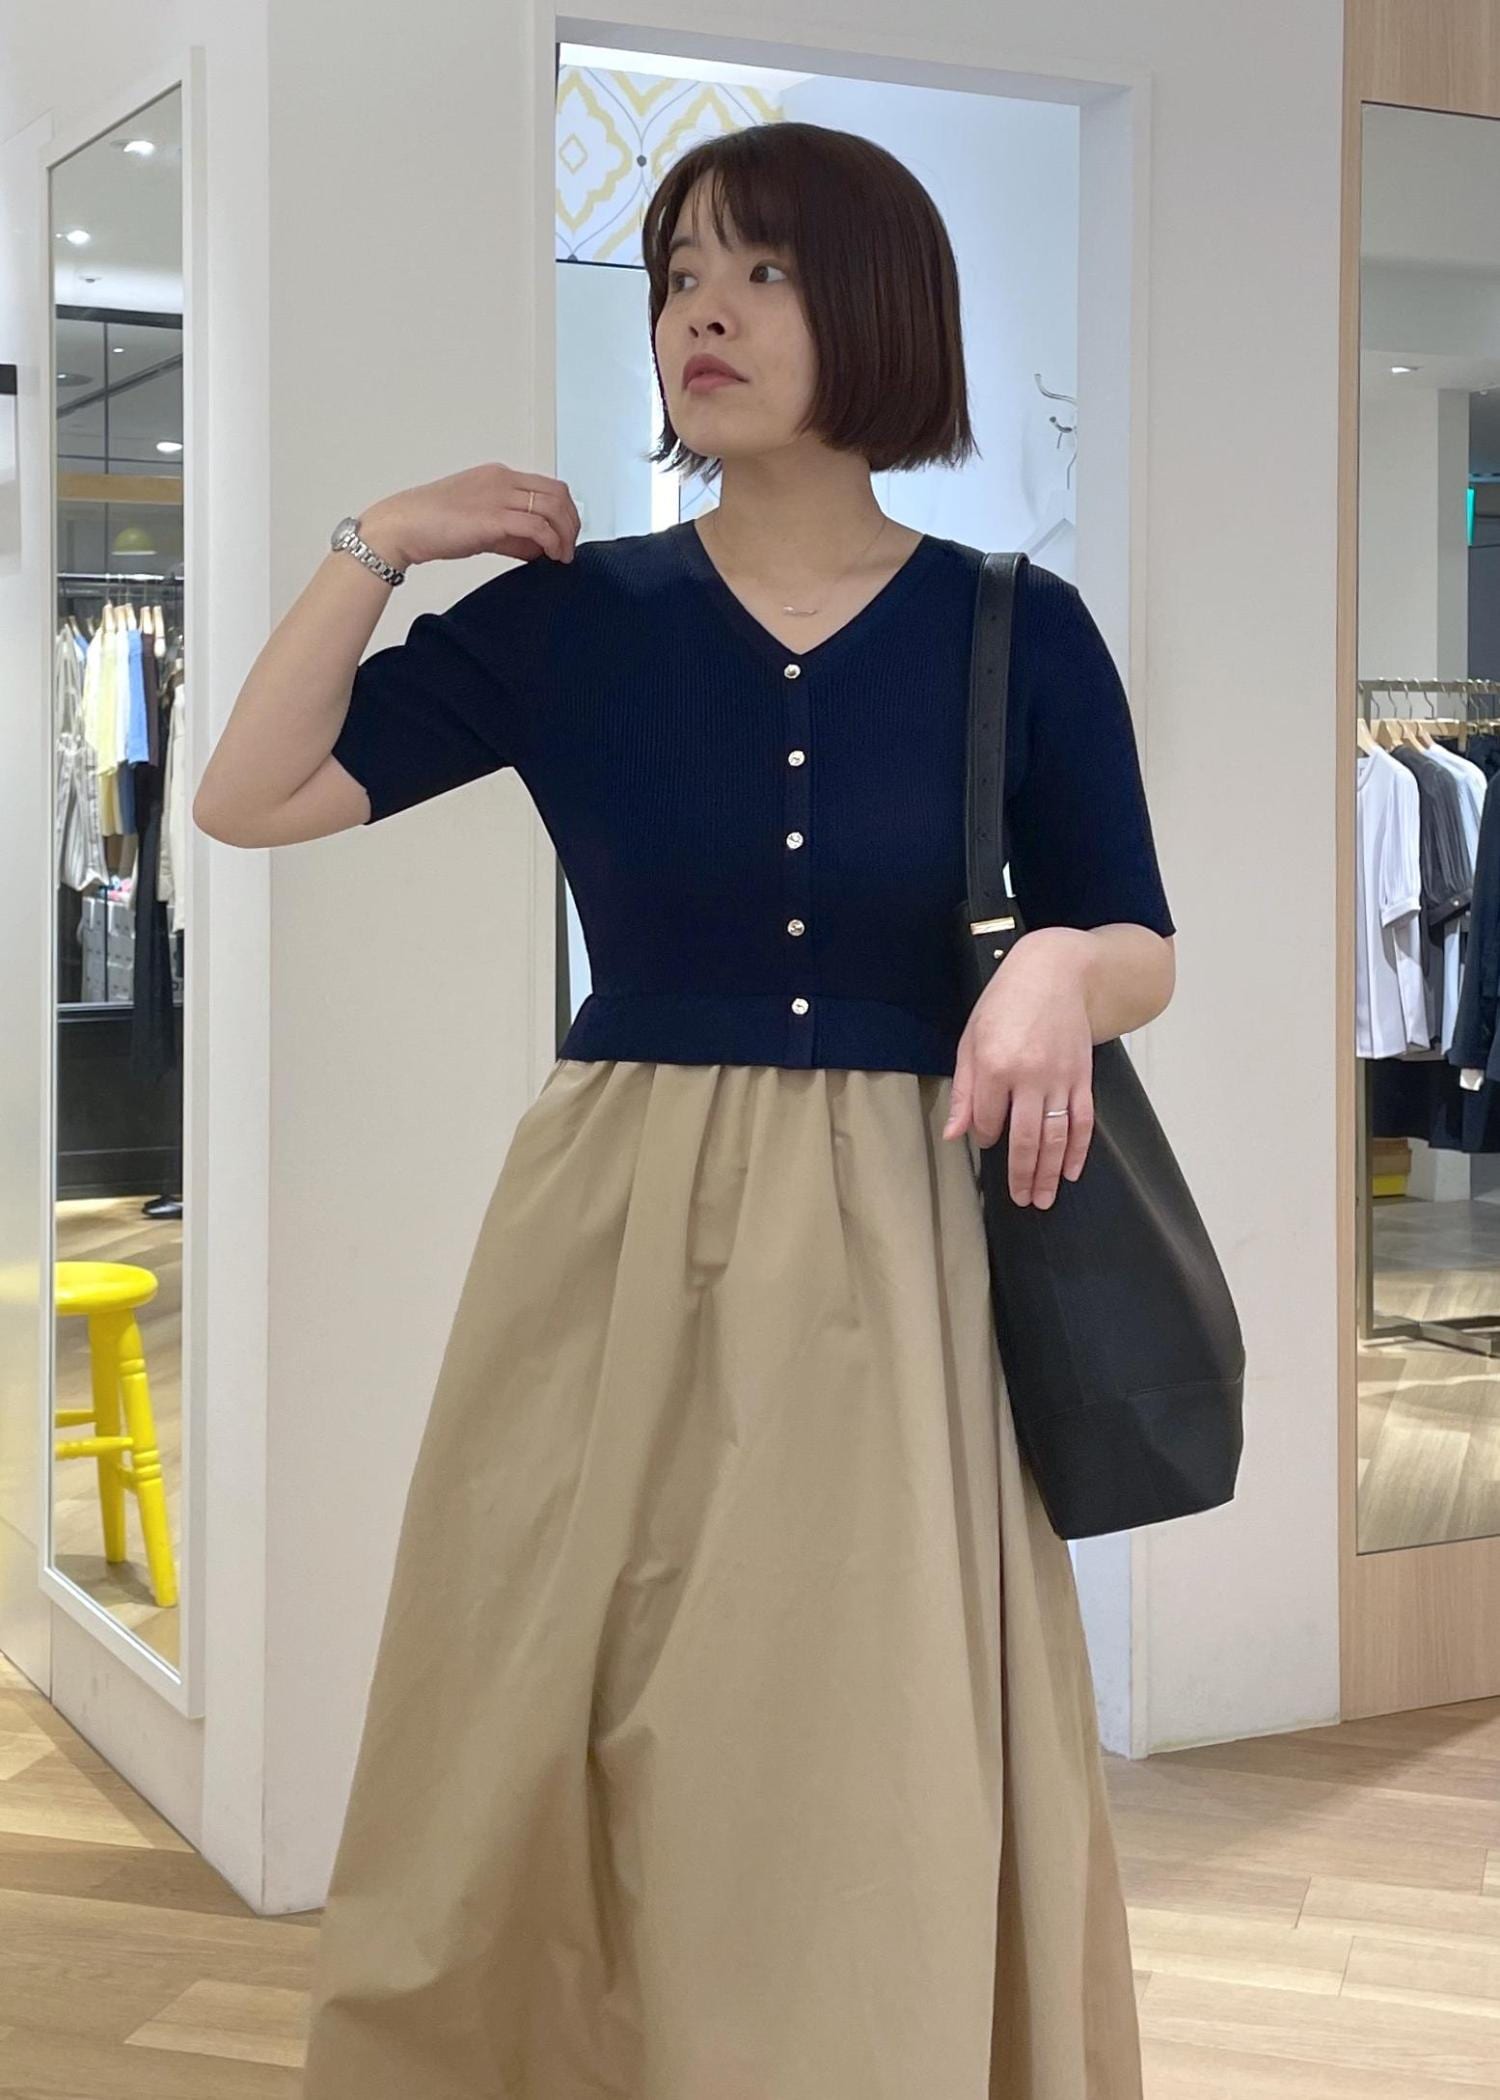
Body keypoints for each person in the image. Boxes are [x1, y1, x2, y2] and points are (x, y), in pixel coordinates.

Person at [197, 119, 1174, 2100]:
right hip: (614, 1225)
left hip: (903, 1238)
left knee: (861, 1728)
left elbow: (1140, 935)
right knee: (543, 1683)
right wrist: (379, 540)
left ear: (880, 309)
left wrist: (1062, 972)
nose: (702, 312)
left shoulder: (1016, 626)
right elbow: (250, 794)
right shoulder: (580, 618)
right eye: (677, 277)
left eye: (765, 270)